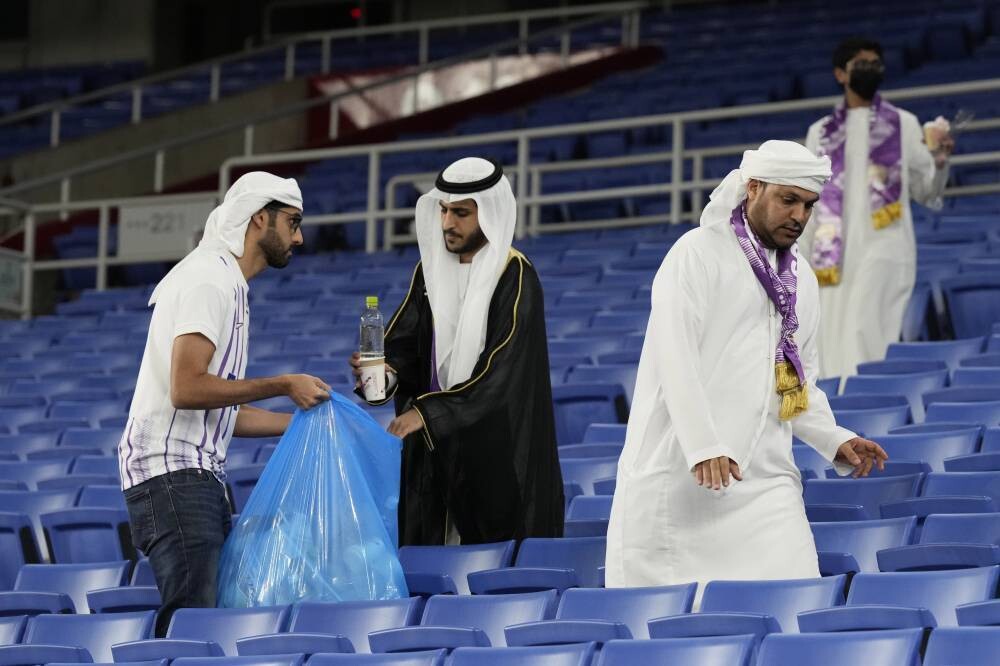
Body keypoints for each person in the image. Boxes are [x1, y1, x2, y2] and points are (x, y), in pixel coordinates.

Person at [605, 140, 888, 592]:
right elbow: (673, 357)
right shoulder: (696, 253)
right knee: (682, 637)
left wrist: (834, 439)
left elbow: (795, 382)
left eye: (808, 205)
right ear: (752, 188)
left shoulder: (803, 279)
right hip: (683, 477)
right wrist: (703, 445)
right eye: (788, 199)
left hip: (765, 481)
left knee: (794, 604)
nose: (798, 215)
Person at [119, 171, 331, 636]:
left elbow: (219, 412)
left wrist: (301, 420)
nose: (298, 236)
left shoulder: (227, 282)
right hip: (173, 475)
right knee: (193, 623)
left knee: (203, 617)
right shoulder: (210, 279)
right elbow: (188, 388)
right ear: (260, 219)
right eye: (292, 222)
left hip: (191, 475)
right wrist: (282, 383)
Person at [350, 157, 564, 546]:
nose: (448, 223)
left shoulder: (515, 276)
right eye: (444, 210)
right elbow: (404, 347)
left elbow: (501, 373)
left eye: (461, 213)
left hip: (494, 461)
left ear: (491, 213)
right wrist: (385, 374)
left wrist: (428, 413)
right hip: (434, 457)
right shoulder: (429, 271)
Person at [802, 37, 953, 379]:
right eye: (861, 65)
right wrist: (802, 256)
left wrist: (939, 161)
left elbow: (926, 190)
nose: (870, 71)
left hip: (884, 245)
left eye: (875, 65)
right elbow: (809, 196)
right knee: (832, 334)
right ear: (841, 74)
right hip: (832, 254)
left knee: (865, 327)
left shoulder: (904, 123)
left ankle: (866, 402)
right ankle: (839, 413)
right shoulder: (820, 132)